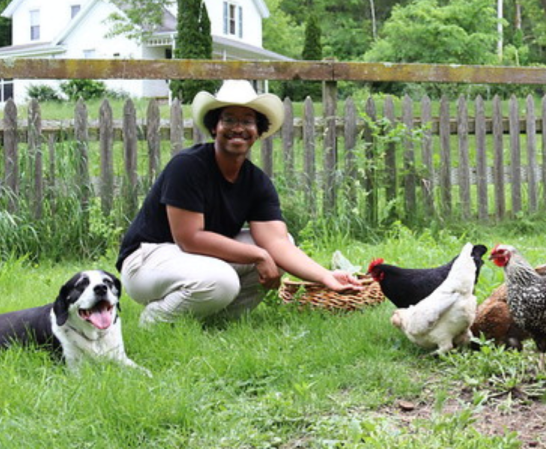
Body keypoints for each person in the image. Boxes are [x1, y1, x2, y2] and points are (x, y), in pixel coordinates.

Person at [117, 80, 362, 325]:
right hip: (147, 259)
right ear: (215, 127)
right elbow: (189, 238)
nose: (238, 128)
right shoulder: (188, 166)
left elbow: (277, 243)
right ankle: (154, 321)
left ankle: (214, 323)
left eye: (247, 121)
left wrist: (326, 276)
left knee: (283, 244)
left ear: (257, 131)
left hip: (194, 260)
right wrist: (258, 255)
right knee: (223, 279)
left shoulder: (256, 181)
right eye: (229, 120)